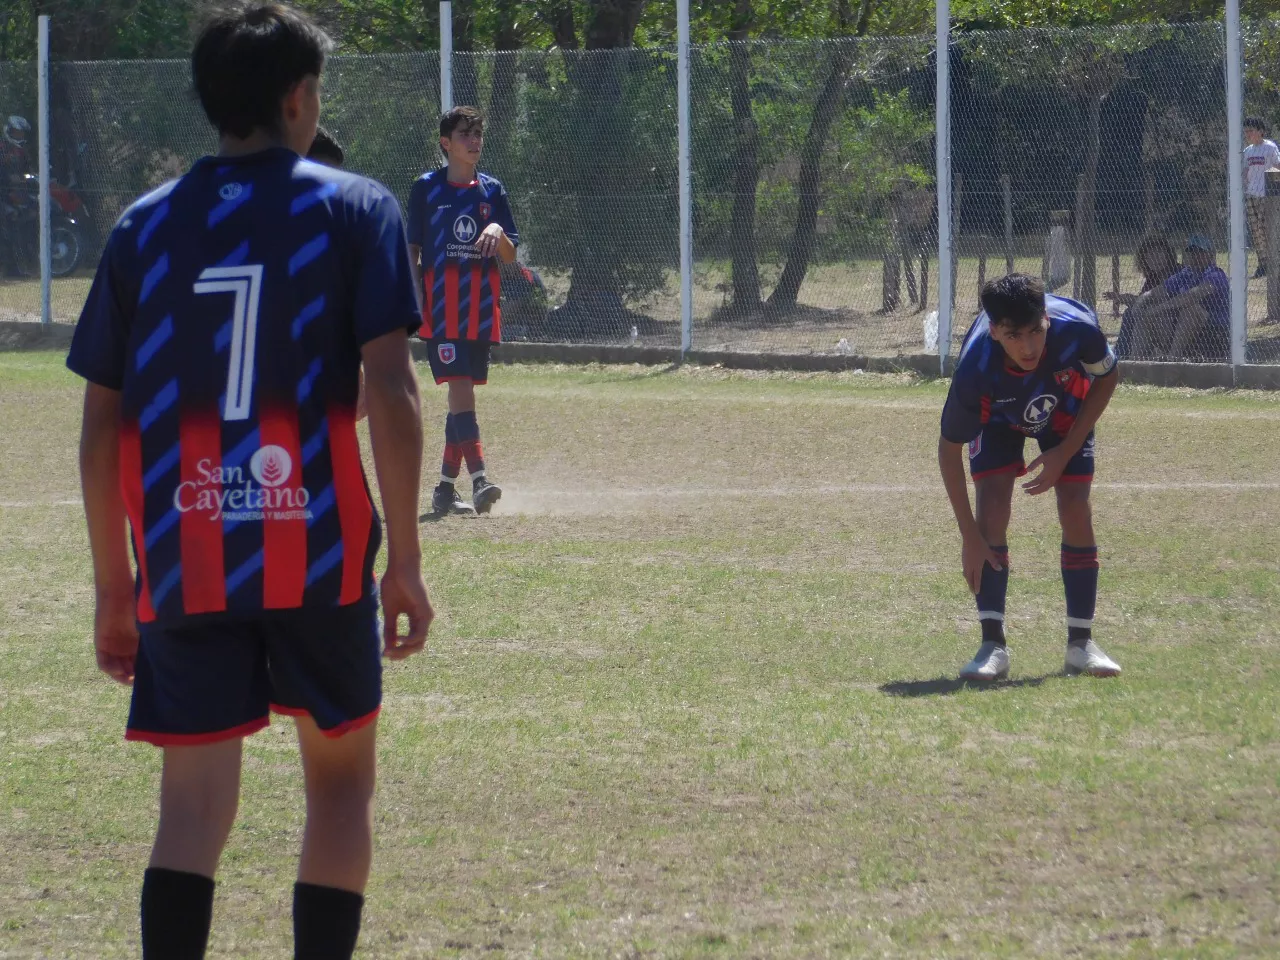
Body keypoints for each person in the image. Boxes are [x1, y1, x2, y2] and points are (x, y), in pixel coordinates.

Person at [65, 5, 432, 959]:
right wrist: (408, 563)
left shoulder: (142, 227)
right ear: (299, 97)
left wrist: (117, 589)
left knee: (190, 809)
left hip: (187, 554)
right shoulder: (357, 208)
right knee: (341, 788)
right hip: (319, 550)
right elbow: (391, 393)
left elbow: (100, 428)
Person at [939, 273, 1122, 682]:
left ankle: (1081, 645)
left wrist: (1065, 452)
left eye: (1036, 331)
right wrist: (970, 537)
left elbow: (1108, 378)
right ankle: (992, 646)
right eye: (1014, 335)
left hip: (1065, 409)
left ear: (1046, 320)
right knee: (993, 505)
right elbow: (947, 452)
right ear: (994, 331)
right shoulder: (976, 367)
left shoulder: (1078, 330)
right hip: (999, 417)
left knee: (1076, 508)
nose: (1028, 346)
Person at [406, 105, 519, 517]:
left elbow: (509, 255)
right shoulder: (426, 188)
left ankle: (442, 490)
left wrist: (498, 231)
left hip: (480, 311)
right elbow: (412, 248)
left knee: (462, 399)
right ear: (446, 143)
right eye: (465, 134)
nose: (474, 142)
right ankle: (480, 480)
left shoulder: (492, 190)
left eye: (478, 134)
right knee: (459, 391)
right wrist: (411, 299)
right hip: (440, 312)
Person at [1128, 234, 1230, 362]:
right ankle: (1134, 361)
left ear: (1210, 254)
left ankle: (1173, 357)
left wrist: (1158, 309)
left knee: (1190, 310)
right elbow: (1159, 291)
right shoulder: (1186, 274)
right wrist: (1141, 300)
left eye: (1200, 252)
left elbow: (1191, 297)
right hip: (1185, 331)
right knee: (1147, 315)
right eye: (1192, 253)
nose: (1195, 256)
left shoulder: (1216, 275)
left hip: (1215, 332)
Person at [1109, 234, 1179, 360]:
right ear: (1143, 259)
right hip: (1153, 317)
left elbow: (1169, 301)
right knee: (1129, 313)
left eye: (1159, 253)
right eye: (1149, 255)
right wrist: (1126, 298)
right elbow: (1142, 303)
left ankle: (1122, 356)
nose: (1155, 259)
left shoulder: (1178, 273)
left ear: (1168, 255)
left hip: (1173, 318)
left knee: (1131, 314)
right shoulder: (1152, 278)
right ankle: (1123, 355)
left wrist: (1133, 300)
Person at [1244, 117, 1280, 279]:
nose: (1248, 134)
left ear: (1261, 131)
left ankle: (1273, 262)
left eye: (1251, 131)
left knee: (1267, 229)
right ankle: (1263, 263)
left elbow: (1277, 167)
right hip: (1252, 194)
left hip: (1266, 194)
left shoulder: (1270, 148)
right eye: (1246, 131)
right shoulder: (1248, 151)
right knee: (1256, 230)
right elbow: (1245, 171)